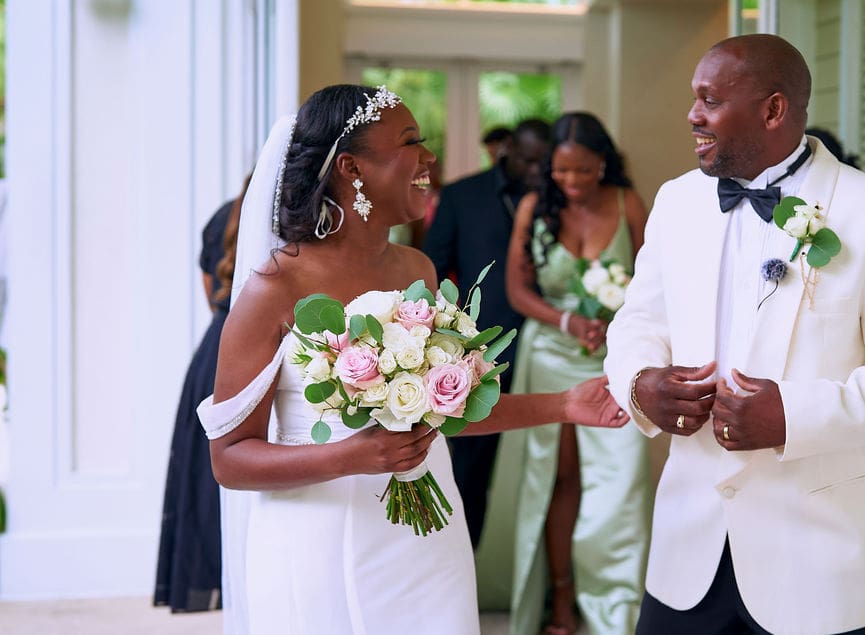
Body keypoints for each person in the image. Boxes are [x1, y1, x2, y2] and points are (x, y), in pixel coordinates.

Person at [197, 85, 629, 634]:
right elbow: (229, 459)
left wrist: (566, 403)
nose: (430, 159)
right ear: (351, 167)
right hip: (324, 541)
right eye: (410, 142)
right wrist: (352, 456)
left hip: (427, 537)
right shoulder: (277, 287)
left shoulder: (417, 270)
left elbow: (448, 409)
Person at [604, 34, 865, 635]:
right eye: (696, 99)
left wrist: (792, 415)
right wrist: (640, 383)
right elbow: (639, 320)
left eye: (710, 100)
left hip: (814, 564)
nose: (693, 115)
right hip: (684, 559)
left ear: (773, 110)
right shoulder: (676, 202)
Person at [505, 112, 651, 635]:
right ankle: (560, 600)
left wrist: (616, 324)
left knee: (618, 484)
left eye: (584, 172)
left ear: (603, 164)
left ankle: (613, 605)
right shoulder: (534, 208)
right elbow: (517, 290)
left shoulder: (628, 203)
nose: (573, 183)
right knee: (558, 480)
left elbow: (653, 282)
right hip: (549, 355)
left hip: (613, 359)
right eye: (563, 172)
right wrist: (568, 320)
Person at [423, 118, 551, 548]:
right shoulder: (463, 196)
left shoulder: (559, 198)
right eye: (529, 161)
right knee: (473, 468)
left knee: (545, 463)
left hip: (551, 349)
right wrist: (454, 337)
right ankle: (464, 557)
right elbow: (433, 269)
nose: (537, 171)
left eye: (543, 163)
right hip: (482, 350)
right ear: (507, 149)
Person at [154, 176, 248, 613]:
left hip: (216, 350)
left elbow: (213, 297)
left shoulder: (222, 218)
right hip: (247, 353)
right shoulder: (300, 220)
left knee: (207, 481)